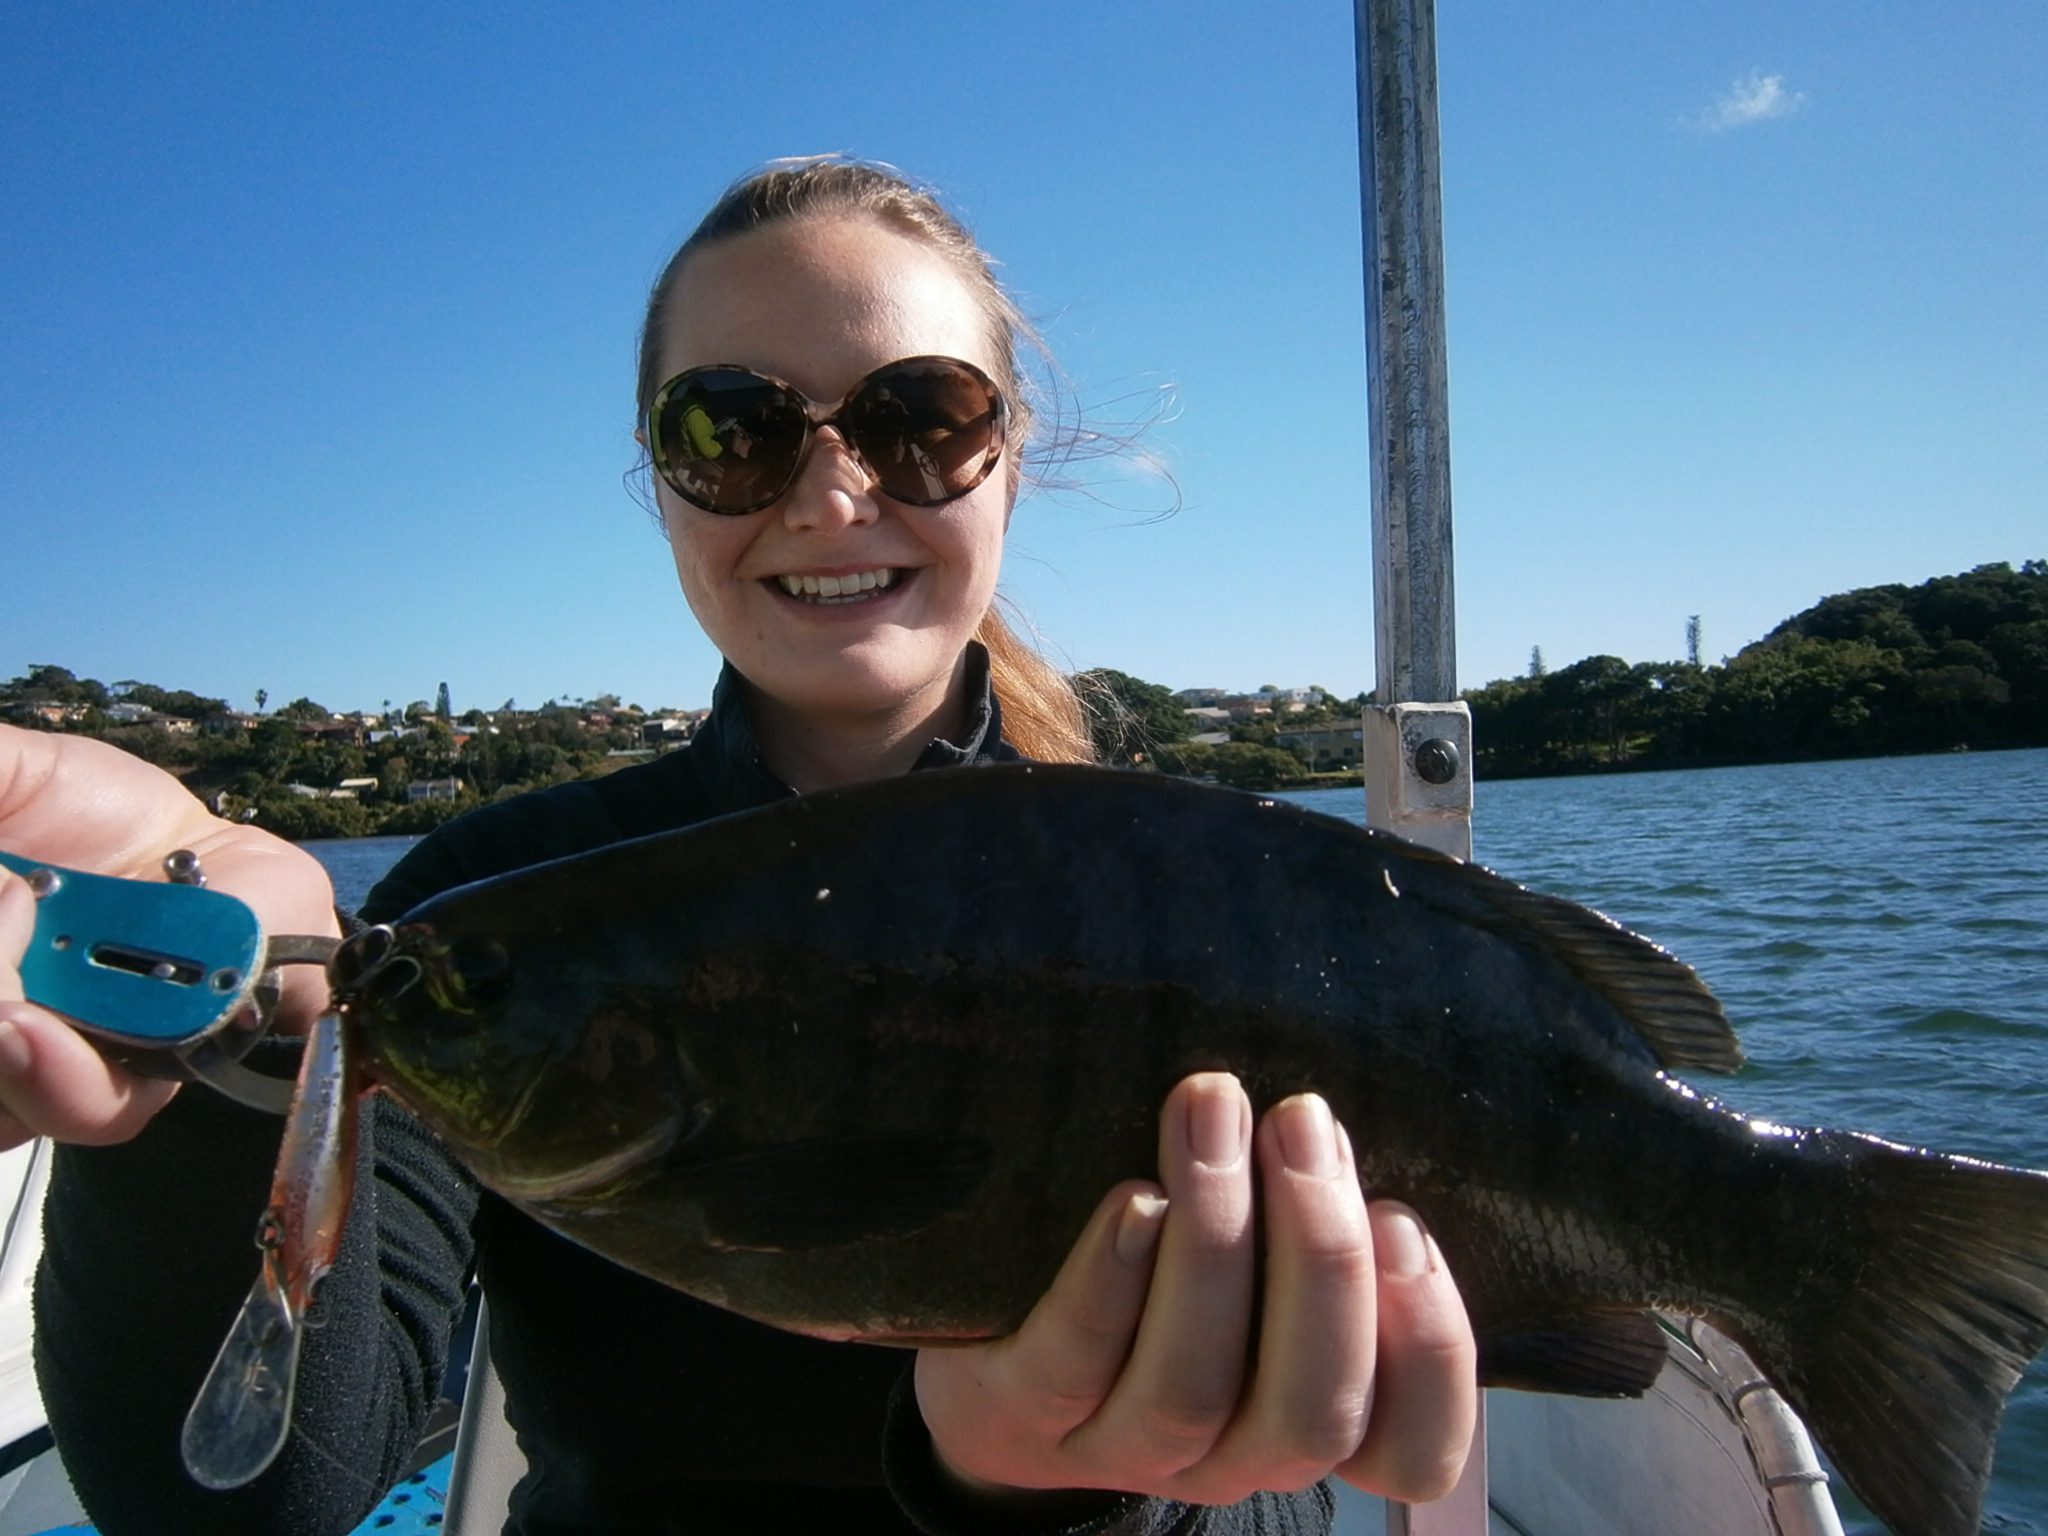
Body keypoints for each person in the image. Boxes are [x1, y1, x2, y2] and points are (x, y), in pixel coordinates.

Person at [0, 157, 1476, 1535]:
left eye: (920, 417)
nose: (834, 493)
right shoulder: (494, 925)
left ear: (1008, 462)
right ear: (661, 485)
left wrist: (1055, 1493)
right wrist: (201, 1022)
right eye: (733, 428)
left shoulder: (1213, 896)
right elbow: (259, 1496)